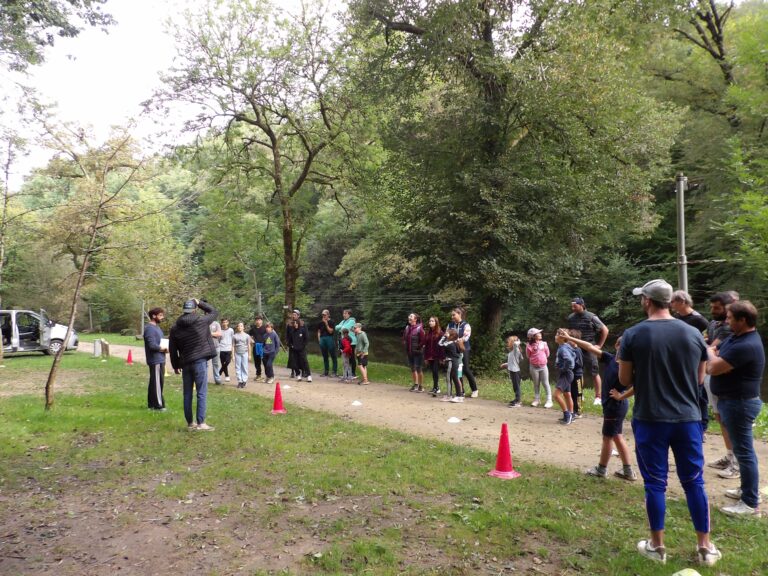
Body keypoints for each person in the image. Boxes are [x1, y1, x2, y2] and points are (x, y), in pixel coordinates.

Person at [618, 279, 720, 567]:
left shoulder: (634, 334)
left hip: (651, 418)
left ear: (648, 301)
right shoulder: (692, 334)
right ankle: (705, 547)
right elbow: (700, 379)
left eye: (642, 299)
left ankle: (657, 547)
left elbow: (624, 380)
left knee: (655, 483)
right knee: (694, 482)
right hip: (688, 418)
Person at [706, 300, 764, 516]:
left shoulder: (746, 345)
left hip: (739, 404)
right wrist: (715, 355)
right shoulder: (737, 337)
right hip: (731, 401)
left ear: (743, 320)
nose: (726, 321)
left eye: (730, 318)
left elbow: (712, 366)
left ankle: (749, 503)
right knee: (742, 451)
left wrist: (713, 356)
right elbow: (716, 351)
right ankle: (746, 490)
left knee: (744, 453)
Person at [558, 329, 637, 481]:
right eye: (623, 346)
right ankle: (627, 471)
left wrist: (622, 395)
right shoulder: (610, 359)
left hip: (616, 406)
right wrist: (569, 338)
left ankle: (602, 469)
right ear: (617, 346)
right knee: (616, 436)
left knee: (608, 438)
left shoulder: (630, 367)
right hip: (612, 406)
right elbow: (589, 347)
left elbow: (638, 385)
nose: (624, 349)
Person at [704, 291, 740, 479]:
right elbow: (707, 344)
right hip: (712, 376)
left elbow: (709, 348)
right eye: (712, 307)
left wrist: (708, 347)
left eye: (717, 308)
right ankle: (729, 456)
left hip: (725, 381)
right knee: (719, 418)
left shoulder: (729, 328)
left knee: (728, 421)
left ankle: (736, 464)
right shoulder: (713, 323)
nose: (712, 310)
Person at [169, 298, 219, 431]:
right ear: (195, 309)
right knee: (201, 392)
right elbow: (214, 311)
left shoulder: (175, 328)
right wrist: (200, 302)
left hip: (185, 363)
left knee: (187, 394)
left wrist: (175, 365)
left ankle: (190, 423)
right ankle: (201, 423)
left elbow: (173, 349)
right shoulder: (202, 321)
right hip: (200, 361)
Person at [567, 297, 609, 405]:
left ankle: (598, 397)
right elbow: (570, 332)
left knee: (594, 372)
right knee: (577, 372)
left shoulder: (591, 317)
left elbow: (605, 330)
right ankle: (580, 394)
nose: (572, 308)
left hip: (589, 348)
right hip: (576, 348)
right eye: (571, 306)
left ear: (581, 305)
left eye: (574, 306)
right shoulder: (571, 317)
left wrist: (599, 345)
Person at [446, 307, 478, 398]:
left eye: (454, 315)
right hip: (454, 350)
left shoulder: (466, 325)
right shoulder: (450, 325)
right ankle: (461, 391)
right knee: (457, 370)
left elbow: (466, 337)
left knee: (466, 369)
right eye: (451, 315)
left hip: (464, 349)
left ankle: (474, 389)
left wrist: (457, 341)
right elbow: (447, 335)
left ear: (459, 314)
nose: (452, 317)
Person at [143, 307, 168, 411]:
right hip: (155, 360)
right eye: (160, 315)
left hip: (160, 359)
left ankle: (151, 405)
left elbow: (159, 341)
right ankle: (158, 405)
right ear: (154, 316)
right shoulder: (149, 328)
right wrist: (163, 349)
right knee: (158, 383)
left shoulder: (156, 327)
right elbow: (152, 345)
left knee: (154, 382)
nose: (162, 317)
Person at [525, 328, 552, 408]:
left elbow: (547, 354)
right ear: (533, 336)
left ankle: (549, 400)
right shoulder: (529, 345)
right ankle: (537, 399)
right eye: (538, 333)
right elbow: (528, 356)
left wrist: (542, 359)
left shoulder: (544, 344)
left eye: (540, 333)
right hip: (533, 367)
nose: (540, 334)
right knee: (536, 383)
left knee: (545, 382)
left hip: (543, 366)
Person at [554, 330, 576, 425]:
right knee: (567, 395)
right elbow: (574, 355)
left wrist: (563, 368)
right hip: (568, 373)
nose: (555, 336)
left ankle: (567, 415)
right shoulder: (566, 346)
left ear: (562, 338)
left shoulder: (563, 348)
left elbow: (569, 360)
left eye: (557, 335)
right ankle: (571, 414)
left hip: (565, 374)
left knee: (556, 395)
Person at [439, 328, 464, 403]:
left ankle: (453, 396)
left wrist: (444, 337)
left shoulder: (450, 343)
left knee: (450, 379)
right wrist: (446, 336)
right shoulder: (453, 342)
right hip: (453, 362)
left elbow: (440, 344)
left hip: (451, 362)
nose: (446, 333)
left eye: (447, 333)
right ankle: (457, 396)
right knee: (454, 379)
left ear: (451, 335)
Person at [403, 313, 426, 392]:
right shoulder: (407, 328)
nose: (409, 317)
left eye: (411, 316)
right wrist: (405, 344)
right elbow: (404, 338)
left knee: (419, 369)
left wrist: (418, 348)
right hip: (410, 352)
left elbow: (423, 340)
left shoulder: (420, 328)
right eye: (409, 316)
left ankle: (421, 386)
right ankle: (415, 385)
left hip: (418, 353)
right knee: (413, 368)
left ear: (415, 319)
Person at [424, 317, 445, 396]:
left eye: (432, 321)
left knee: (435, 371)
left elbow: (442, 346)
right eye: (429, 321)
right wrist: (426, 357)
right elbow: (426, 346)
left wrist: (442, 357)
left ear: (436, 322)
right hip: (430, 355)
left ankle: (437, 388)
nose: (430, 322)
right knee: (433, 371)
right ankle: (435, 387)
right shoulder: (428, 333)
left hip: (437, 356)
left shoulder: (440, 333)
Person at [500, 335, 522, 407]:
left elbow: (516, 344)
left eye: (509, 341)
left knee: (517, 386)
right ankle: (516, 399)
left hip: (515, 371)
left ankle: (518, 401)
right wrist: (505, 364)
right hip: (512, 371)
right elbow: (512, 362)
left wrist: (517, 340)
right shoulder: (512, 352)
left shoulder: (516, 350)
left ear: (513, 342)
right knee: (515, 386)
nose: (507, 343)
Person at [289, 317, 312, 382]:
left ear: (298, 323)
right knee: (295, 363)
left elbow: (306, 339)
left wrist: (303, 346)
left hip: (302, 349)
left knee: (304, 361)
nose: (295, 324)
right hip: (294, 350)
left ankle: (309, 375)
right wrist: (292, 346)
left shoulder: (302, 330)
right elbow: (290, 341)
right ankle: (298, 375)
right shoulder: (292, 332)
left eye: (296, 323)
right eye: (294, 323)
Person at [335, 309, 357, 377]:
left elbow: (345, 329)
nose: (344, 315)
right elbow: (336, 328)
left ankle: (353, 373)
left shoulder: (352, 321)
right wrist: (341, 327)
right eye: (343, 313)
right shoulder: (343, 321)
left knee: (352, 358)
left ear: (349, 314)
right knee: (346, 358)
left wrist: (341, 327)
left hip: (351, 342)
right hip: (344, 342)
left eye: (345, 313)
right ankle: (347, 373)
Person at [568, 329, 584, 417]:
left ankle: (579, 411)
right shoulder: (570, 349)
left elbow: (580, 363)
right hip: (571, 375)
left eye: (569, 338)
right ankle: (573, 409)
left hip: (577, 375)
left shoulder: (577, 350)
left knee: (578, 393)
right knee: (572, 392)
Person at [317, 309, 338, 377]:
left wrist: (326, 324)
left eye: (324, 315)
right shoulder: (320, 322)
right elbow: (319, 331)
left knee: (333, 355)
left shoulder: (331, 321)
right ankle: (326, 371)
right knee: (325, 356)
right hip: (322, 339)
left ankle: (334, 372)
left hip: (329, 338)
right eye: (322, 315)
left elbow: (331, 331)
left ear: (328, 315)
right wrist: (319, 340)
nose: (323, 316)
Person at [232, 321, 252, 388]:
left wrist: (249, 355)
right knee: (238, 367)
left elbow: (249, 345)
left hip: (245, 353)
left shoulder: (247, 336)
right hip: (237, 353)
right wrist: (233, 355)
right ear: (237, 327)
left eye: (241, 326)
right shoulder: (234, 336)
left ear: (243, 327)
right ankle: (240, 381)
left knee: (244, 367)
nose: (240, 327)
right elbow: (233, 346)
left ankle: (244, 380)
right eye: (238, 326)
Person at [248, 315, 267, 382]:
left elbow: (268, 337)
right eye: (257, 320)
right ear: (255, 321)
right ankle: (258, 375)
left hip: (263, 347)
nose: (258, 321)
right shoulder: (253, 329)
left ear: (262, 321)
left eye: (259, 320)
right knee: (257, 362)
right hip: (256, 347)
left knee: (265, 362)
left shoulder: (265, 328)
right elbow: (249, 336)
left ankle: (268, 375)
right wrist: (251, 340)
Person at [218, 318, 234, 383]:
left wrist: (232, 348)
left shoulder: (231, 330)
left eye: (226, 322)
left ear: (228, 323)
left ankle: (220, 371)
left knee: (227, 361)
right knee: (223, 363)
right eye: (223, 322)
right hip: (222, 349)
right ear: (221, 323)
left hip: (228, 348)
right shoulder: (220, 331)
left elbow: (233, 339)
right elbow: (219, 339)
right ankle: (227, 376)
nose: (224, 323)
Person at [286, 309, 300, 379]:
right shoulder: (289, 324)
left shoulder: (301, 323)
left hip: (299, 344)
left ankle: (302, 371)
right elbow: (287, 335)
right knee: (292, 358)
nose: (293, 316)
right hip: (291, 343)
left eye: (295, 315)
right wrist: (288, 343)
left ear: (298, 316)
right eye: (293, 315)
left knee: (300, 358)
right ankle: (292, 371)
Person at [209, 317, 223, 385]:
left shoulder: (216, 323)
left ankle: (217, 380)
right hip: (206, 347)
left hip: (216, 347)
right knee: (205, 364)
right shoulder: (204, 323)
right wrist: (214, 333)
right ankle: (204, 379)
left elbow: (219, 334)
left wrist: (209, 333)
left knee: (216, 364)